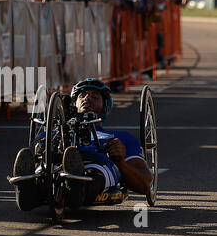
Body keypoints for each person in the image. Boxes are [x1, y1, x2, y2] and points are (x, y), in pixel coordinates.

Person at [14, 78, 153, 211]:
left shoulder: (121, 138)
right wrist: (37, 153)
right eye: (82, 95)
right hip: (54, 164)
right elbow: (32, 157)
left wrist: (121, 162)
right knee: (42, 172)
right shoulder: (50, 133)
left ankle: (76, 188)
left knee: (94, 174)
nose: (87, 98)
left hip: (97, 164)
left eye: (94, 97)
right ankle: (28, 192)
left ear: (105, 107)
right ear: (73, 105)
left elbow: (145, 185)